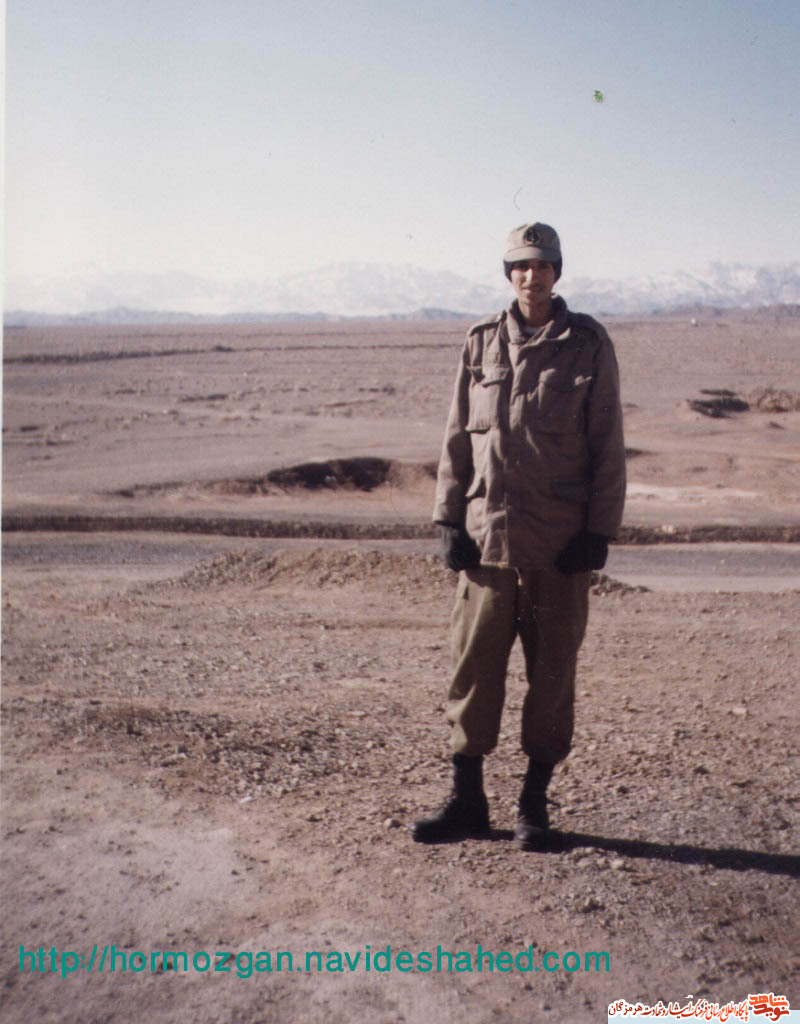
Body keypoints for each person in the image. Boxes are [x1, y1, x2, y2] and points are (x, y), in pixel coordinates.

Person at [412, 222, 626, 849]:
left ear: (558, 272)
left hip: (559, 549)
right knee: (473, 671)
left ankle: (534, 805)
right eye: (521, 266)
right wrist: (448, 518)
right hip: (488, 543)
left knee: (552, 677)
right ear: (509, 274)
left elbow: (608, 443)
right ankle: (467, 801)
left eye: (543, 266)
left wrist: (598, 531)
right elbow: (457, 437)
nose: (532, 277)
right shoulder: (481, 342)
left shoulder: (587, 345)